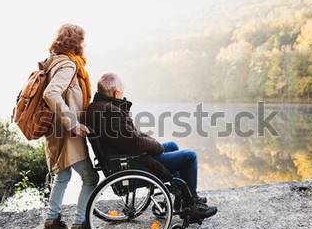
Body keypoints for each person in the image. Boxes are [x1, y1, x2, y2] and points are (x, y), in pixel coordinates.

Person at [86, 72, 217, 219]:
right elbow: (134, 143)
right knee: (190, 156)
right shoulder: (111, 112)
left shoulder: (96, 107)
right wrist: (157, 146)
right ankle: (192, 204)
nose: (123, 94)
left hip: (125, 156)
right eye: (122, 91)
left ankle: (182, 198)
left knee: (172, 145)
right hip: (132, 162)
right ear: (116, 93)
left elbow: (130, 137)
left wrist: (153, 143)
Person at [40, 24, 100, 229]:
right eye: (83, 40)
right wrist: (73, 123)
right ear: (75, 42)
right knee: (90, 178)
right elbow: (51, 93)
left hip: (55, 130)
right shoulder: (67, 64)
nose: (85, 44)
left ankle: (51, 224)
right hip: (66, 131)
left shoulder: (52, 60)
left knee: (62, 175)